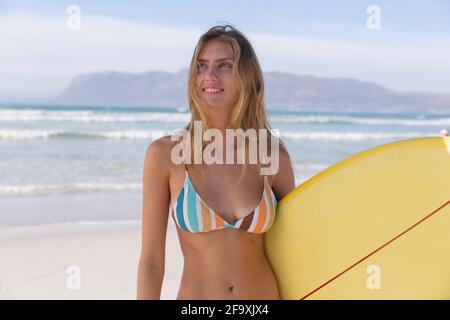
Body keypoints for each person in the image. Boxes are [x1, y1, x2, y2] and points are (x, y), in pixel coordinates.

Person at [137, 24, 295, 300]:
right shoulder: (165, 155)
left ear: (247, 77)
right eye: (201, 66)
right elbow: (151, 261)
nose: (209, 76)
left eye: (224, 65)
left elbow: (295, 250)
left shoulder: (272, 156)